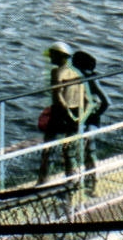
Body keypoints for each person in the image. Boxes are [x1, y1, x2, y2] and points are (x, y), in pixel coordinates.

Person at [37, 42, 88, 185]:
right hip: (76, 112)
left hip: (60, 113)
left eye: (53, 55)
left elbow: (58, 95)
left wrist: (65, 111)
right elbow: (84, 97)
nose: (50, 58)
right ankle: (71, 180)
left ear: (60, 56)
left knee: (48, 150)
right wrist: (79, 116)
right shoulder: (77, 73)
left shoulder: (57, 72)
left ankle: (42, 181)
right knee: (69, 151)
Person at [71, 50, 111, 192]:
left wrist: (95, 115)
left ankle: (93, 183)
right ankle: (81, 181)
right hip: (81, 120)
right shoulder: (76, 80)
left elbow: (107, 102)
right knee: (78, 152)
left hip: (90, 122)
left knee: (89, 151)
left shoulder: (92, 81)